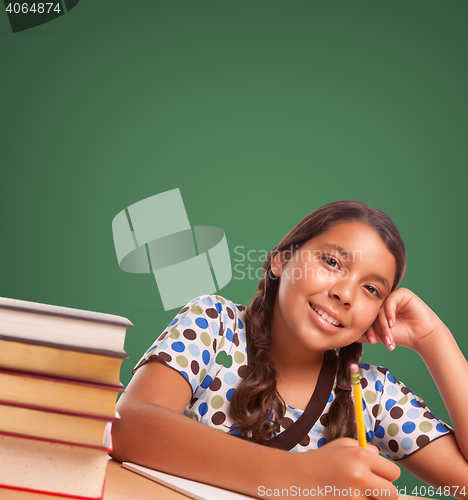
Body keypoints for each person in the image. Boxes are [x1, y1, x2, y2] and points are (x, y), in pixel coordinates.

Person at [111, 201, 468, 499]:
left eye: (372, 289)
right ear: (281, 261)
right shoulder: (214, 325)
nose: (345, 294)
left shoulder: (370, 395)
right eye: (331, 262)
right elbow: (128, 425)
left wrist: (434, 340)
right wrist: (297, 476)